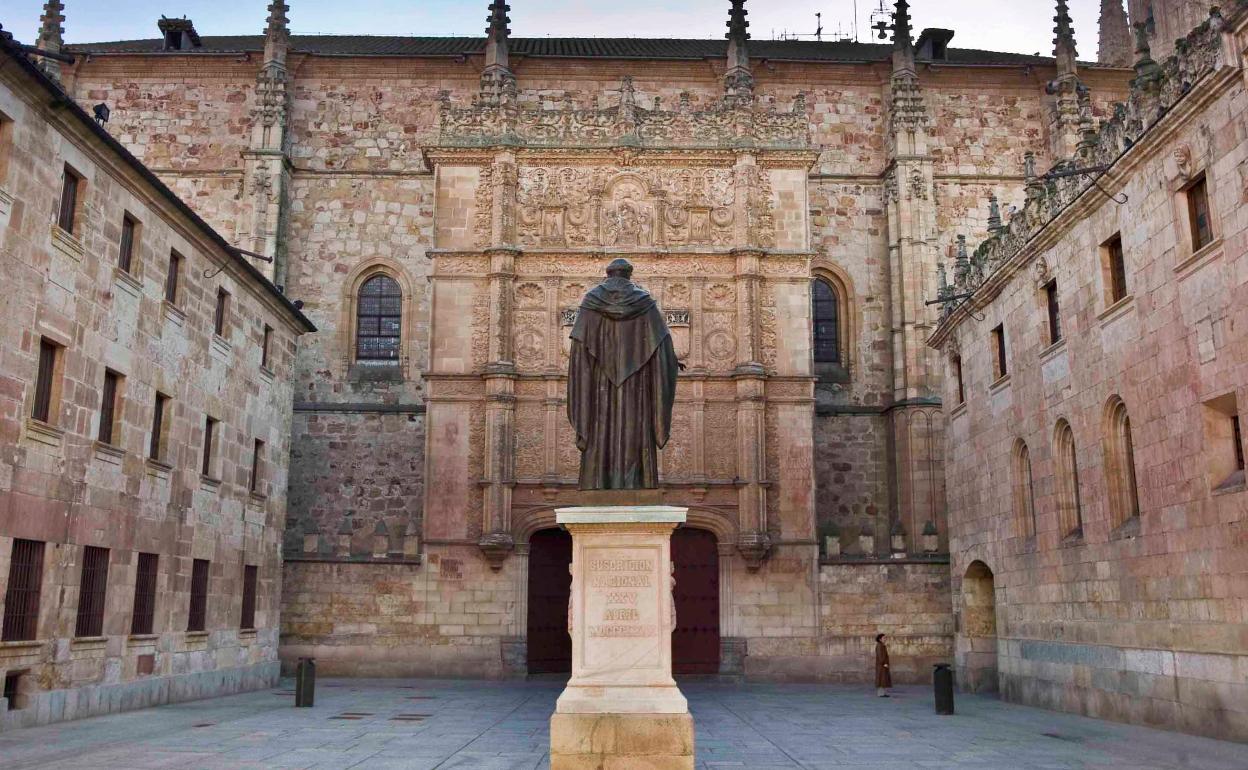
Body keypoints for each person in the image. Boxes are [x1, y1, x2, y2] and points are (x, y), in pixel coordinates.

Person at [875, 632, 892, 697]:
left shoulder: (882, 645)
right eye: (884, 638)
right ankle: (880, 694)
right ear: (880, 639)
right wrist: (884, 663)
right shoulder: (879, 646)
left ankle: (883, 693)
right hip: (881, 666)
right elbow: (880, 656)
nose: (885, 639)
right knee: (881, 679)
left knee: (884, 680)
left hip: (883, 665)